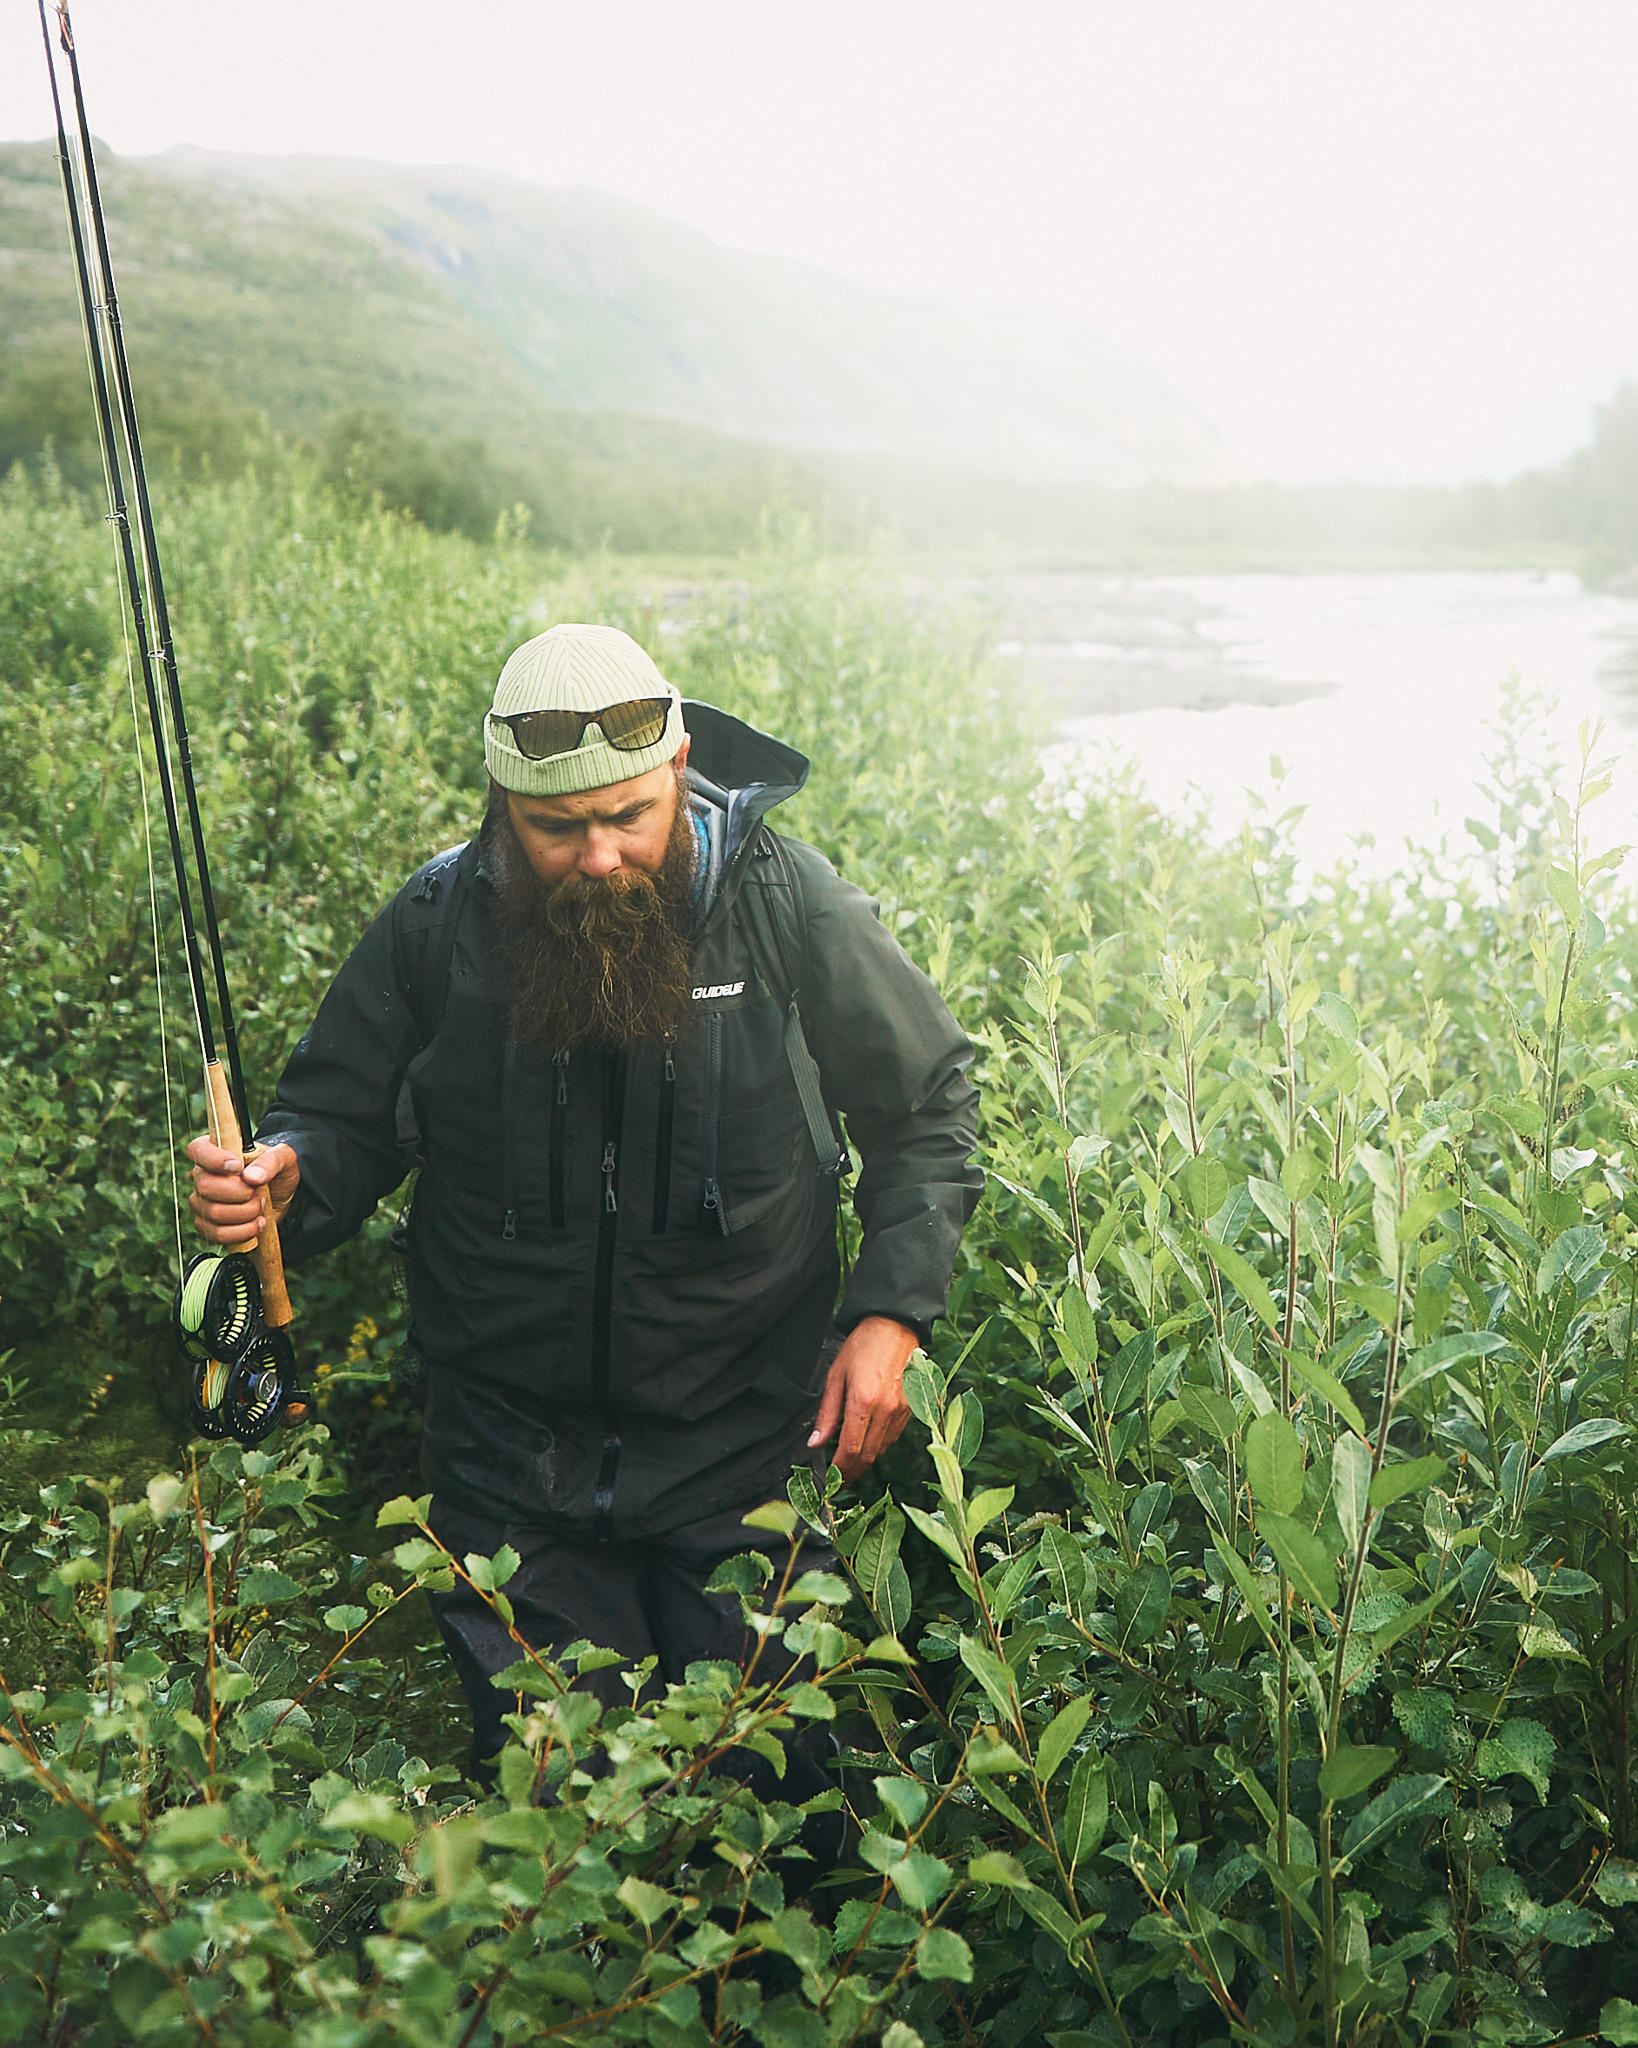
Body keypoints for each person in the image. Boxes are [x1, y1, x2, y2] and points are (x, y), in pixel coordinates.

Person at [186, 623, 982, 1805]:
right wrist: (288, 1177)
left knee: (782, 1812)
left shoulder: (786, 903)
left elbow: (927, 1107)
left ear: (681, 767)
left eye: (632, 815)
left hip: (747, 1449)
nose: (603, 856)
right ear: (504, 802)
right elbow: (333, 1119)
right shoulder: (437, 922)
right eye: (559, 828)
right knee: (556, 1819)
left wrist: (891, 1317)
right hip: (509, 1467)